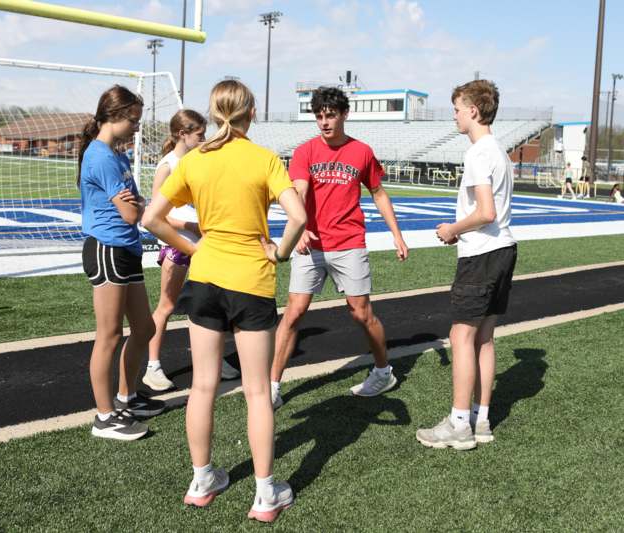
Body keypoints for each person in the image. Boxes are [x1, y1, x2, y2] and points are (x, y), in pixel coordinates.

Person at [142, 80, 307, 523]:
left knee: (202, 386)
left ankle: (202, 479)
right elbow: (300, 217)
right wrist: (281, 251)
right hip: (252, 279)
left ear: (214, 115)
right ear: (251, 113)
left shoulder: (195, 159)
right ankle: (265, 493)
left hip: (207, 278)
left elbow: (151, 218)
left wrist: (196, 249)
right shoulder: (264, 159)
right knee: (256, 392)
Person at [269, 86, 409, 409]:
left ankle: (383, 371)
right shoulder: (305, 152)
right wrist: (299, 226)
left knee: (361, 313)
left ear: (344, 114)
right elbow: (299, 191)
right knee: (293, 313)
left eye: (330, 115)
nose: (324, 122)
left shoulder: (361, 152)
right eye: (319, 116)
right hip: (312, 244)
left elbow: (378, 193)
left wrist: (397, 235)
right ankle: (273, 385)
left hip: (349, 243)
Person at [416, 80, 517, 451]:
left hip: (481, 254)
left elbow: (485, 212)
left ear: (473, 110)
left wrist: (452, 229)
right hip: (504, 249)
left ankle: (459, 422)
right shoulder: (500, 152)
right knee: (485, 338)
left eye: (457, 108)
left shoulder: (477, 153)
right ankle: (482, 418)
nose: (454, 115)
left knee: (461, 336)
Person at [78, 85, 165, 441]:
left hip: (127, 250)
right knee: (110, 335)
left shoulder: (118, 155)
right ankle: (104, 417)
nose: (137, 128)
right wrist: (136, 206)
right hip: (107, 248)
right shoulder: (99, 156)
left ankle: (126, 397)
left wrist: (137, 205)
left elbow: (137, 203)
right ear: (115, 115)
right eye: (134, 120)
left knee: (144, 329)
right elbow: (131, 213)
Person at [142, 110, 240, 392]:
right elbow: (154, 215)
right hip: (177, 243)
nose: (204, 138)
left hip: (202, 245)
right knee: (168, 305)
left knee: (209, 303)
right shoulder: (168, 165)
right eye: (199, 134)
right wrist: (192, 225)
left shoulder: (198, 161)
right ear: (183, 134)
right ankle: (153, 365)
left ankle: (215, 359)